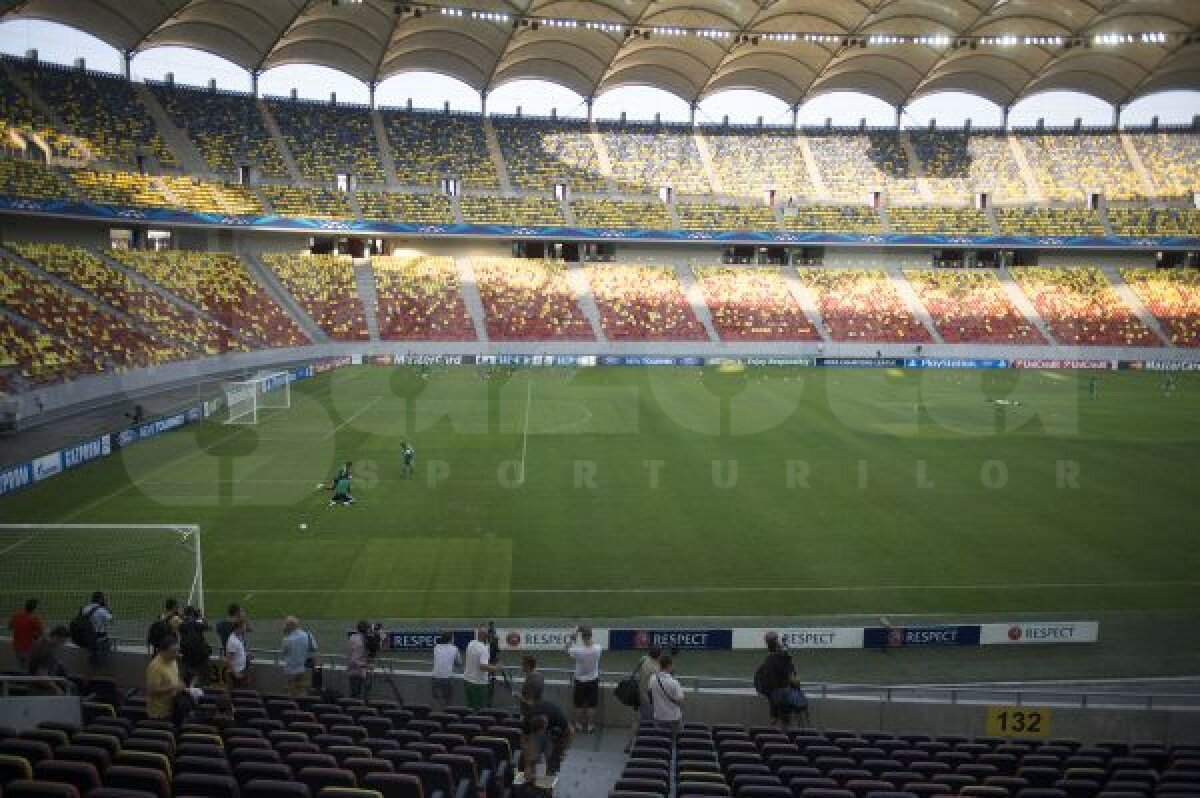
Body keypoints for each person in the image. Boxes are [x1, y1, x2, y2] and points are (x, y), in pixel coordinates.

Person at [146, 634, 201, 723]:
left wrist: (184, 688)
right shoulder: (155, 666)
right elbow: (151, 690)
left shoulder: (172, 660)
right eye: (173, 651)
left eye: (177, 651)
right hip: (160, 715)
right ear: (163, 651)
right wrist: (174, 687)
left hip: (173, 709)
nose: (177, 654)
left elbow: (175, 678)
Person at [518, 700, 573, 784]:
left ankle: (549, 778)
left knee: (553, 756)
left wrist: (563, 749)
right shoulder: (527, 719)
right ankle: (529, 778)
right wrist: (528, 764)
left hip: (555, 731)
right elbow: (524, 742)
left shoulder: (558, 717)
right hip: (538, 727)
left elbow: (571, 732)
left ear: (546, 724)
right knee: (530, 754)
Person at [758, 632, 800, 728]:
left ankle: (775, 723)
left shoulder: (769, 660)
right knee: (785, 719)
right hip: (782, 691)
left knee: (776, 716)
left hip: (774, 691)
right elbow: (792, 676)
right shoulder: (782, 660)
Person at [625, 645, 661, 752]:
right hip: (649, 698)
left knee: (637, 720)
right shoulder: (657, 668)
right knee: (650, 723)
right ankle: (646, 746)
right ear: (658, 656)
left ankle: (629, 744)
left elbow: (634, 672)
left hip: (640, 695)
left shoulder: (643, 658)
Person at [566, 625, 601, 733]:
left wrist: (573, 635)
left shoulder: (578, 651)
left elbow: (566, 648)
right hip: (593, 680)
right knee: (592, 705)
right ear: (591, 636)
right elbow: (591, 643)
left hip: (580, 681)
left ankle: (578, 725)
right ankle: (590, 726)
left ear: (582, 637)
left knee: (578, 704)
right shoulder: (598, 648)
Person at [464, 625, 500, 711]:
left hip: (467, 681)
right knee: (479, 710)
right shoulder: (483, 649)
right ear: (485, 636)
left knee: (470, 708)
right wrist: (496, 668)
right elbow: (483, 666)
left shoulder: (471, 643)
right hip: (478, 684)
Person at [647, 654, 684, 737]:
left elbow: (650, 693)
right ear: (669, 666)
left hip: (659, 716)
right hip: (674, 718)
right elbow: (680, 701)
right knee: (676, 742)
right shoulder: (674, 682)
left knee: (660, 741)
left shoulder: (652, 679)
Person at [281, 616, 318, 697]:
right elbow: (314, 648)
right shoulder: (308, 635)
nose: (284, 627)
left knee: (291, 693)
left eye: (286, 625)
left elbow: (284, 653)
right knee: (302, 691)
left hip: (291, 670)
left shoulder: (287, 639)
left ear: (290, 626)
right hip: (304, 668)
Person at [27, 626, 71, 694]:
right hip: (42, 689)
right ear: (55, 637)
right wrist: (57, 688)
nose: (61, 645)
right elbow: (42, 675)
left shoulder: (40, 642)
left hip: (32, 685)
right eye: (62, 641)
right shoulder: (47, 651)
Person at [178, 605, 212, 685]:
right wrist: (201, 617)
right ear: (193, 613)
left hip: (187, 656)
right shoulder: (196, 624)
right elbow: (208, 627)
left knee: (188, 677)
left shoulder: (182, 625)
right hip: (200, 656)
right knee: (204, 677)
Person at [8, 598, 44, 672]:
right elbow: (40, 633)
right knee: (27, 667)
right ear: (34, 609)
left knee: (22, 665)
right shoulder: (34, 619)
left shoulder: (16, 616)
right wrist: (34, 635)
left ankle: (23, 677)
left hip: (17, 646)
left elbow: (10, 627)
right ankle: (26, 680)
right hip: (28, 648)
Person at [80, 591, 113, 667]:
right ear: (100, 599)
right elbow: (111, 619)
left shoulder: (85, 608)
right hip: (100, 638)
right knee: (104, 657)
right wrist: (107, 608)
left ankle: (91, 670)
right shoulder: (101, 610)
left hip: (88, 636)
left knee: (91, 657)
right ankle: (101, 671)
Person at [431, 631, 461, 708]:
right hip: (447, 678)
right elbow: (459, 663)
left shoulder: (436, 647)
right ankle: (447, 714)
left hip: (435, 677)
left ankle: (437, 714)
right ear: (451, 639)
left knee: (436, 699)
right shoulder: (454, 649)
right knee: (448, 699)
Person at [347, 621, 372, 700]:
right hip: (358, 673)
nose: (369, 631)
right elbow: (354, 660)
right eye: (368, 629)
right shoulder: (359, 642)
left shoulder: (353, 637)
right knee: (357, 698)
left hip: (354, 672)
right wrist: (367, 665)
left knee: (355, 696)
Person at [224, 617, 249, 688]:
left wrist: (246, 655)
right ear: (239, 627)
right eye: (244, 626)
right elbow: (228, 659)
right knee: (239, 692)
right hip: (237, 673)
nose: (245, 628)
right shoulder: (233, 641)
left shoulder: (238, 637)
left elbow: (237, 653)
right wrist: (235, 673)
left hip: (241, 670)